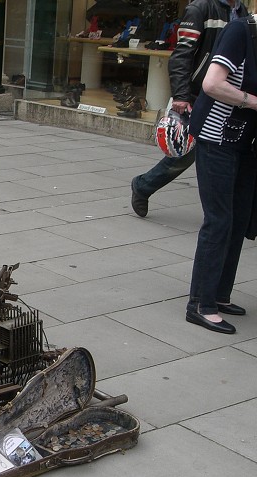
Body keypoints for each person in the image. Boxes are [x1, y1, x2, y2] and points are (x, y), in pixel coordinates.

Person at [130, 0, 248, 217]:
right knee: (188, 152)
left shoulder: (241, 10)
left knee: (216, 150)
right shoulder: (200, 8)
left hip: (227, 92)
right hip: (201, 93)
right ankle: (144, 185)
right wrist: (181, 95)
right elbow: (182, 54)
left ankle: (227, 210)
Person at [184, 15, 257, 335]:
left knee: (239, 220)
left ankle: (220, 295)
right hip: (217, 139)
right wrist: (253, 102)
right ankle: (201, 304)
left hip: (247, 143)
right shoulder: (241, 31)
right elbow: (212, 84)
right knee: (219, 221)